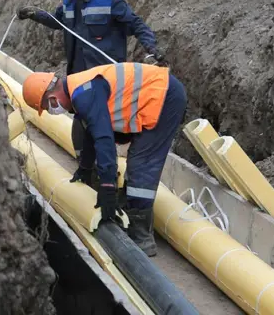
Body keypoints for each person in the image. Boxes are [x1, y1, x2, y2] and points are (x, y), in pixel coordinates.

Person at [21, 62, 187, 257]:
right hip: (155, 95)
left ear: (52, 98)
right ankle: (131, 206)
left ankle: (142, 237)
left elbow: (104, 138)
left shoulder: (84, 95)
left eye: (47, 107)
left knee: (142, 163)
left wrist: (108, 187)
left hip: (164, 97)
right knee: (137, 160)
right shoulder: (78, 90)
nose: (52, 111)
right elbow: (92, 130)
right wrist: (84, 168)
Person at [17, 0, 164, 161]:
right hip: (79, 80)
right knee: (82, 131)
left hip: (107, 82)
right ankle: (87, 171)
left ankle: (116, 171)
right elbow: (58, 23)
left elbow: (136, 24)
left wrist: (153, 48)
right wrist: (35, 14)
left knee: (111, 133)